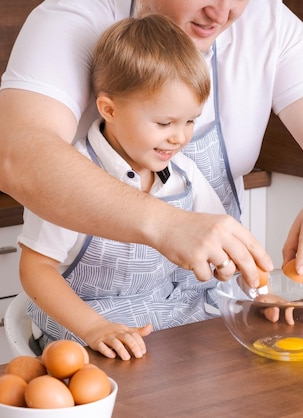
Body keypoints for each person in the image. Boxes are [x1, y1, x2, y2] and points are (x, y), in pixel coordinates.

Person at [0, 0, 303, 346]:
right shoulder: (71, 18)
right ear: (108, 108)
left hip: (189, 320)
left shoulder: (268, 21)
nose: (222, 12)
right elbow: (20, 158)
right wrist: (167, 225)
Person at [18, 14, 227, 360]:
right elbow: (35, 269)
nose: (180, 137)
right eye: (164, 123)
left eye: (191, 120)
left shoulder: (184, 173)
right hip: (89, 329)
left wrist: (261, 295)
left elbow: (221, 243)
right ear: (109, 109)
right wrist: (94, 327)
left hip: (165, 319)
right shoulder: (69, 178)